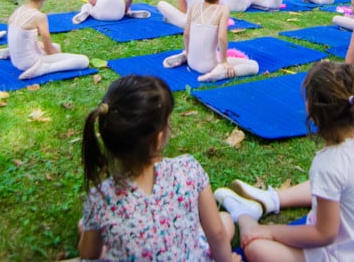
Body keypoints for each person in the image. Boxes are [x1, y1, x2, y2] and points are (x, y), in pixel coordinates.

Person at [215, 62, 354, 261]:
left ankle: (244, 216)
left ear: (310, 109)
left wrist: (271, 232)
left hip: (339, 255)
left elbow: (323, 234)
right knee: (329, 185)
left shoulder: (328, 164)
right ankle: (269, 200)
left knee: (256, 247)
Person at [79, 75, 238, 262]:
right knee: (225, 220)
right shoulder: (188, 169)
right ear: (157, 138)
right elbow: (217, 234)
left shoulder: (101, 198)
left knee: (85, 227)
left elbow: (89, 254)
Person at [163, 0, 260, 81]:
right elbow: (222, 37)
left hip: (191, 61)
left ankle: (185, 55)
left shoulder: (194, 6)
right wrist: (223, 62)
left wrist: (188, 51)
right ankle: (221, 73)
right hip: (209, 65)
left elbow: (186, 34)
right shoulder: (223, 9)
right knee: (254, 65)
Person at [5, 0, 90, 80]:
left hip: (16, 60)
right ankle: (44, 68)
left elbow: (24, 36)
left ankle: (11, 52)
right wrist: (58, 55)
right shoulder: (39, 17)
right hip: (30, 63)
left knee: (57, 46)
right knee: (83, 60)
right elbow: (49, 50)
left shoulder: (18, 11)